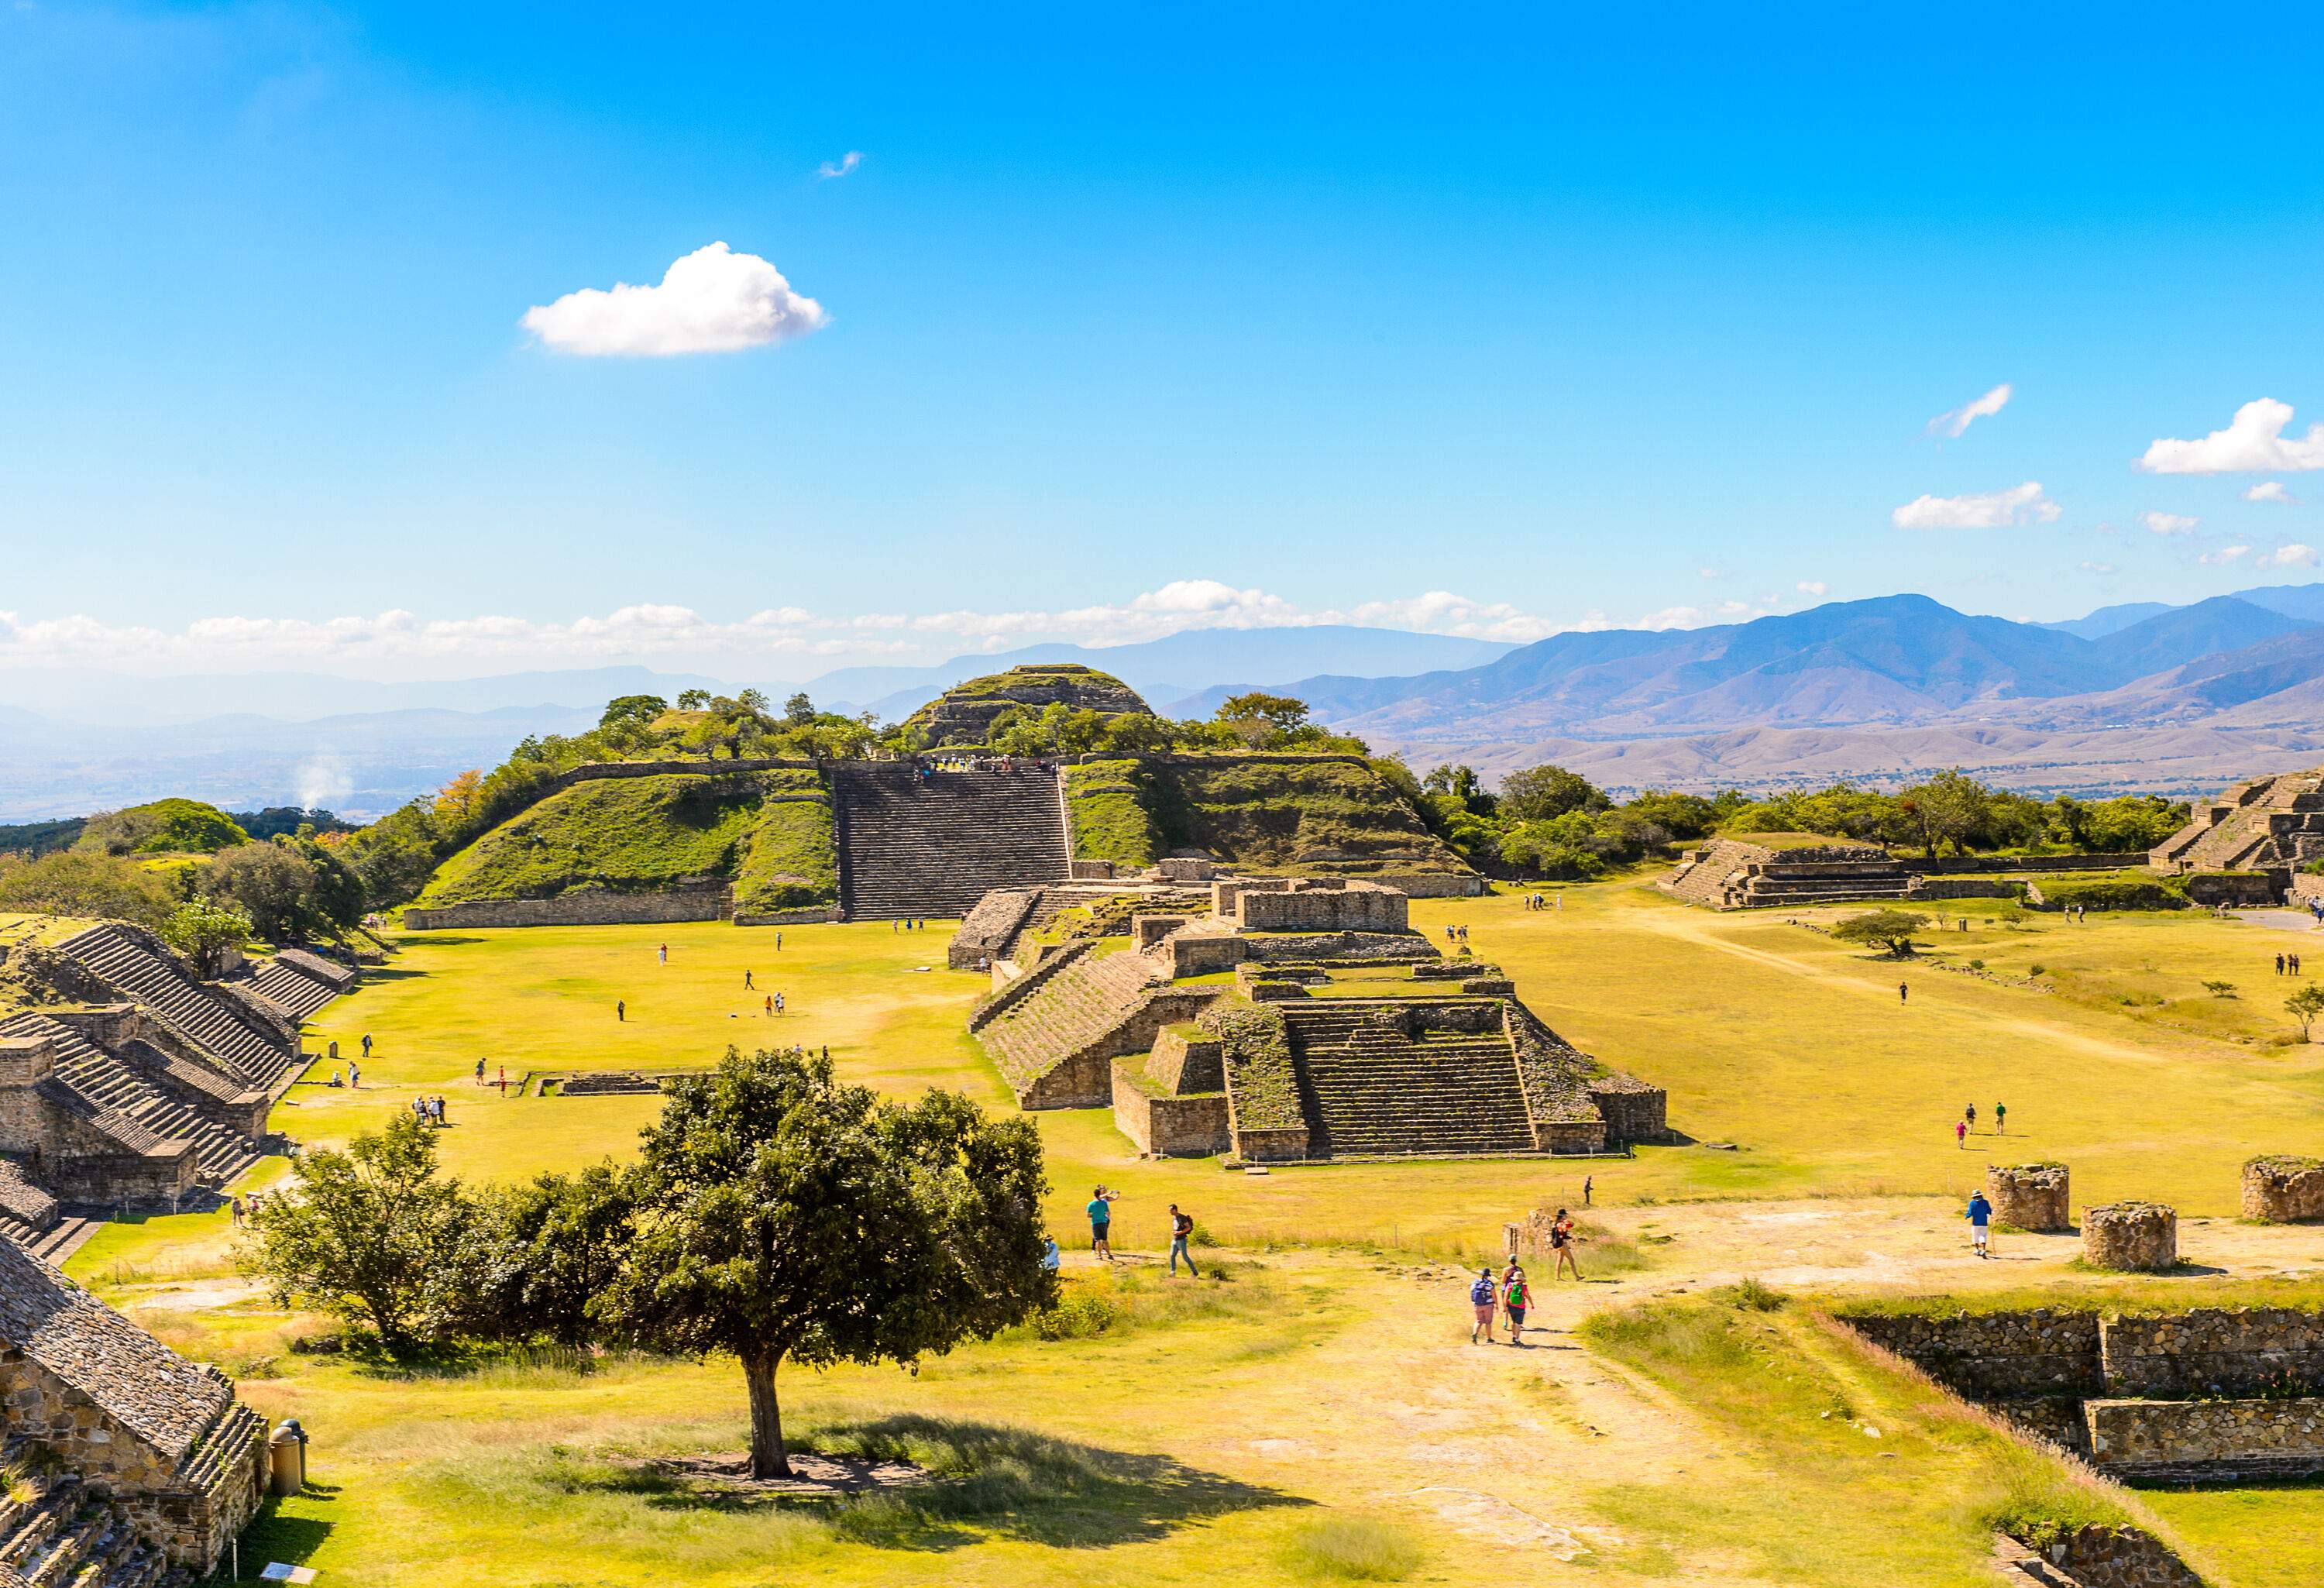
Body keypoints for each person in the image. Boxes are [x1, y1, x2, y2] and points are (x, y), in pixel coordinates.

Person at [1551, 1208, 1586, 1280]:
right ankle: (1577, 1277)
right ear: (1562, 1216)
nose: (1566, 1217)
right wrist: (1566, 1224)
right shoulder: (1560, 1224)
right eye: (1565, 1216)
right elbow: (1563, 1229)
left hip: (1560, 1244)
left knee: (1559, 1260)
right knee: (1571, 1260)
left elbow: (1569, 1227)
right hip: (1562, 1244)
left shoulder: (1558, 1223)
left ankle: (1557, 1277)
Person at [1501, 1264, 1531, 1346]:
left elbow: (1505, 1296)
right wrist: (1532, 1304)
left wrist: (1505, 1306)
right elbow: (1527, 1296)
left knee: (1513, 1322)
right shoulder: (1524, 1287)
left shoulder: (1510, 1285)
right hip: (1521, 1307)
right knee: (1518, 1323)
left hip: (1511, 1306)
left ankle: (1514, 1336)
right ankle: (1517, 1339)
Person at [1087, 1185, 1119, 1261]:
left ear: (1094, 1195)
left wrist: (1095, 1215)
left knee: (1098, 1240)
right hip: (1104, 1222)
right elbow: (1108, 1213)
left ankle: (1100, 1255)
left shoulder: (1091, 1204)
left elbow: (1088, 1215)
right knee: (1105, 1239)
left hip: (1095, 1223)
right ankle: (1109, 1255)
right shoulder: (1104, 1203)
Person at [1167, 1204, 1199, 1277]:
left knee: (1185, 1257)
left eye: (1171, 1210)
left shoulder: (1181, 1217)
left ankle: (1194, 1272)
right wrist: (1175, 1232)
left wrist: (1179, 1232)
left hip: (1182, 1240)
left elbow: (1188, 1227)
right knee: (1172, 1255)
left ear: (1175, 1210)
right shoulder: (1174, 1217)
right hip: (1175, 1240)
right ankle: (1173, 1272)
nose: (1170, 1212)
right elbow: (1176, 1227)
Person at [1470, 1267, 1498, 1343]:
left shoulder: (1475, 1282)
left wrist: (1474, 1302)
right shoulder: (1490, 1284)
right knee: (1488, 1322)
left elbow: (1472, 1292)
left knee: (1478, 1321)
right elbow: (1494, 1295)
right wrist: (1496, 1304)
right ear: (1488, 1276)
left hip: (1477, 1304)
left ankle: (1475, 1334)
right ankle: (1489, 1339)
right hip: (1488, 1305)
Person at [1965, 1188, 1993, 1257]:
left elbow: (1970, 1213)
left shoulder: (1972, 1203)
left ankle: (1977, 1250)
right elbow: (1989, 1211)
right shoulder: (1985, 1202)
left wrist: (1967, 1216)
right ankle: (1983, 1250)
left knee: (1975, 1236)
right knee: (1983, 1236)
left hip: (1975, 1223)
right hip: (1984, 1223)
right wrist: (1991, 1214)